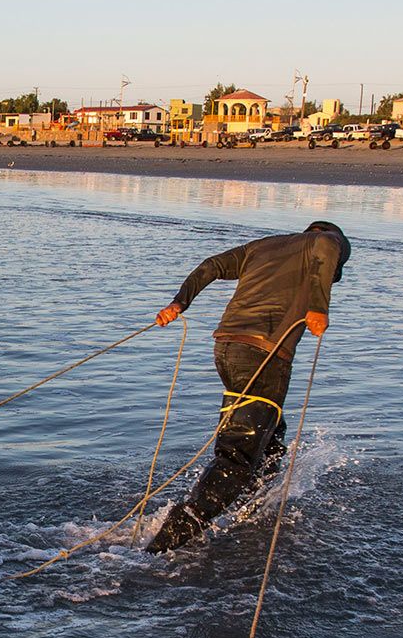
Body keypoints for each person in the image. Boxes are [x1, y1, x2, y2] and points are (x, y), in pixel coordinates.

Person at [147, 220, 350, 553]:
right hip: (264, 355)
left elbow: (211, 265)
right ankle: (164, 545)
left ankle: (253, 510)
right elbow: (329, 247)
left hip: (227, 349)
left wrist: (179, 303)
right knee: (238, 456)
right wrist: (318, 306)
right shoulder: (325, 240)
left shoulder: (264, 245)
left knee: (271, 438)